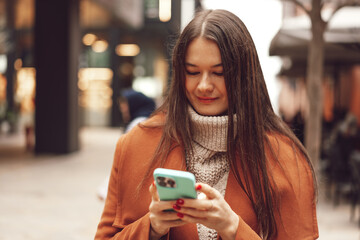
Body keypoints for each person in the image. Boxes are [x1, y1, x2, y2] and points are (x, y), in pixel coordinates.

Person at [95, 9, 318, 240]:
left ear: (244, 75)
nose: (203, 85)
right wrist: (151, 228)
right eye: (192, 72)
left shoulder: (285, 158)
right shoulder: (136, 145)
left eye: (218, 73)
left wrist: (233, 228)